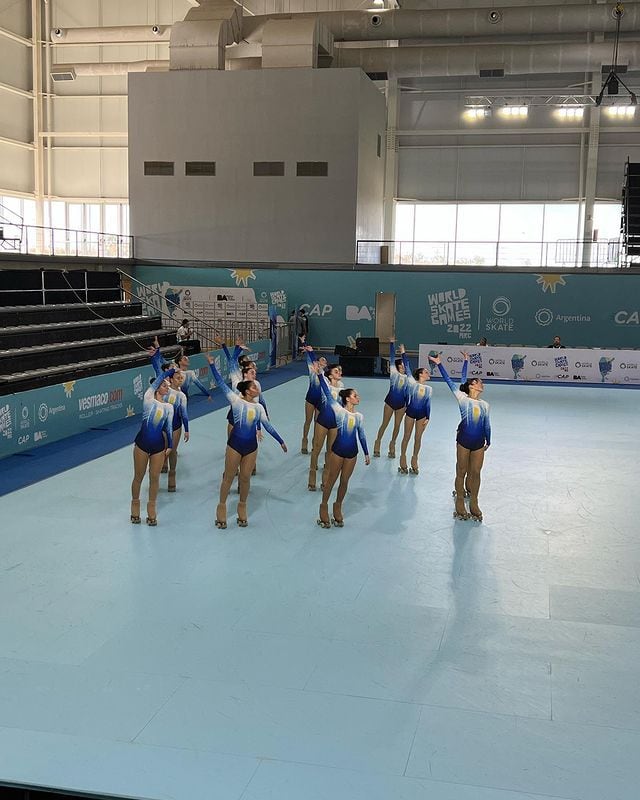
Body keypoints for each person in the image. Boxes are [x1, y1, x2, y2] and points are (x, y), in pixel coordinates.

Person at [207, 355, 287, 529]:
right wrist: (212, 365)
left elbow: (267, 426)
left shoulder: (258, 407)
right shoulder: (236, 401)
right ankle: (221, 506)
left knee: (245, 478)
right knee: (228, 477)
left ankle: (242, 505)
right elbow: (220, 383)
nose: (256, 387)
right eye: (253, 386)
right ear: (247, 390)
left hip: (251, 447)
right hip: (235, 445)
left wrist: (280, 441)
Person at [429, 353, 491, 522]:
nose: (481, 383)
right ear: (472, 386)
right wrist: (440, 364)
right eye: (478, 381)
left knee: (476, 472)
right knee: (462, 471)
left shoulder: (485, 405)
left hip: (479, 443)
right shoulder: (462, 399)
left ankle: (474, 502)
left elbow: (487, 425)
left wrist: (489, 440)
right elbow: (450, 381)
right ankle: (459, 502)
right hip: (463, 441)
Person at [316, 370, 370, 529]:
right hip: (338, 451)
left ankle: (337, 505)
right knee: (331, 480)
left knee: (344, 481)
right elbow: (327, 392)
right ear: (347, 398)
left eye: (357, 395)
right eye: (355, 395)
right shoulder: (339, 411)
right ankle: (323, 505)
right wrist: (320, 374)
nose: (358, 397)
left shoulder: (359, 416)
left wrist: (366, 452)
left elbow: (361, 435)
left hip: (352, 453)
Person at [130, 367, 174, 526]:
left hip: (158, 447)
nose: (167, 387)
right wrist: (168, 372)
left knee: (154, 478)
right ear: (156, 388)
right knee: (139, 477)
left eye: (168, 386)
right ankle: (135, 506)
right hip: (142, 444)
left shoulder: (169, 407)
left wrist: (170, 445)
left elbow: (168, 428)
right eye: (164, 385)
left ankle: (151, 508)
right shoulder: (148, 399)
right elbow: (157, 381)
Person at [149, 340, 189, 492]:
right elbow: (156, 367)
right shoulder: (163, 386)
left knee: (172, 449)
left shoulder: (181, 395)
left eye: (181, 378)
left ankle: (172, 473)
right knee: (161, 448)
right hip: (162, 423)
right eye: (176, 376)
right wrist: (156, 353)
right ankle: (160, 468)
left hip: (176, 425)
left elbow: (184, 414)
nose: (179, 378)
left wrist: (186, 429)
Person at [308, 362, 343, 491]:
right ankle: (312, 474)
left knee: (331, 452)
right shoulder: (326, 386)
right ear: (330, 375)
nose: (339, 373)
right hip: (322, 421)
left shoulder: (342, 389)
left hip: (334, 423)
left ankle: (325, 479)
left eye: (339, 371)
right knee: (316, 449)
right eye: (336, 371)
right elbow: (321, 379)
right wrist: (318, 371)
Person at [397, 347, 432, 475]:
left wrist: (428, 417)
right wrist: (403, 353)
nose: (428, 373)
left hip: (422, 415)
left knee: (418, 438)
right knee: (406, 436)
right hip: (410, 413)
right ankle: (402, 458)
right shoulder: (412, 383)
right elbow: (407, 365)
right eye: (426, 372)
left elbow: (428, 404)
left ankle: (415, 459)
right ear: (420, 374)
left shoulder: (429, 389)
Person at [372, 339, 407, 459]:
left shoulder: (408, 378)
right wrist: (392, 344)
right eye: (402, 364)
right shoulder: (394, 374)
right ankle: (378, 442)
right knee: (385, 424)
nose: (404, 365)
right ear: (397, 367)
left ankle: (392, 444)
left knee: (397, 426)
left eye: (404, 364)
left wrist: (404, 353)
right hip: (390, 403)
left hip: (401, 405)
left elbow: (409, 393)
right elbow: (392, 359)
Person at [301, 342, 327, 454]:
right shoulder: (312, 369)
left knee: (317, 423)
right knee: (308, 420)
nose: (322, 361)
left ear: (325, 365)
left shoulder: (325, 376)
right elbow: (311, 357)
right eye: (321, 359)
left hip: (320, 402)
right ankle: (304, 439)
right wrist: (308, 348)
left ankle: (314, 442)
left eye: (324, 360)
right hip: (310, 399)